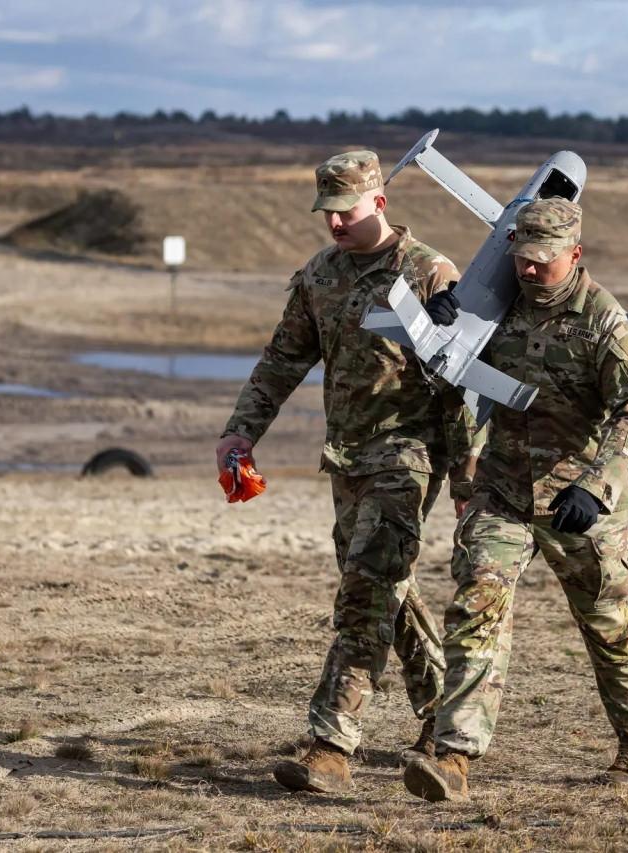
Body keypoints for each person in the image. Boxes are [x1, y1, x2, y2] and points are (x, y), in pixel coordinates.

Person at [216, 150, 475, 794]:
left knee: (364, 593)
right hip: (347, 457)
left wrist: (469, 476)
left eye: (345, 211)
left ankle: (330, 744)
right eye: (325, 213)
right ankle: (443, 712)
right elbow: (282, 360)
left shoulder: (429, 273)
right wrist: (241, 431)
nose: (333, 223)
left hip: (408, 456)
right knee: (390, 587)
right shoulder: (320, 275)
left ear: (379, 204)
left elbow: (463, 382)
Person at [401, 198, 628, 802]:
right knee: (476, 608)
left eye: (544, 260)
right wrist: (444, 325)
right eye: (522, 258)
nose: (530, 270)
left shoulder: (603, 321)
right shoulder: (495, 307)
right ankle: (455, 754)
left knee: (608, 625)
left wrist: (597, 487)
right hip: (505, 492)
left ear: (576, 254)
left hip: (580, 503)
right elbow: (446, 380)